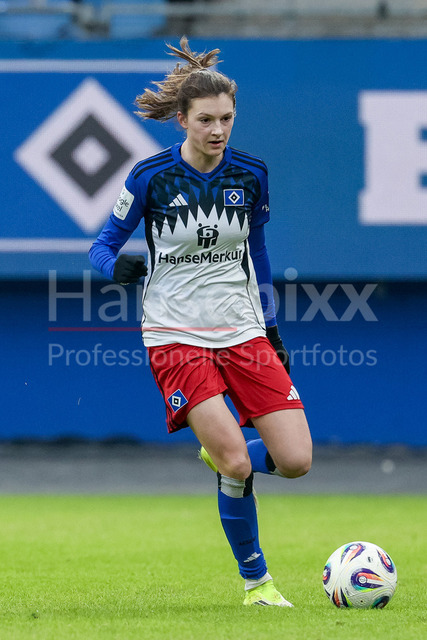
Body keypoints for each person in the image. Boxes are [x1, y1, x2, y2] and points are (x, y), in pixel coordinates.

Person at [89, 37, 312, 607]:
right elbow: (101, 246)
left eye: (227, 119)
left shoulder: (252, 174)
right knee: (237, 462)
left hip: (242, 330)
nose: (218, 130)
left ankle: (222, 451)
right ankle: (257, 582)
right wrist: (116, 268)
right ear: (182, 119)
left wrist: (271, 327)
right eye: (207, 120)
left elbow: (257, 253)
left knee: (295, 462)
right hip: (174, 334)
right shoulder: (149, 176)